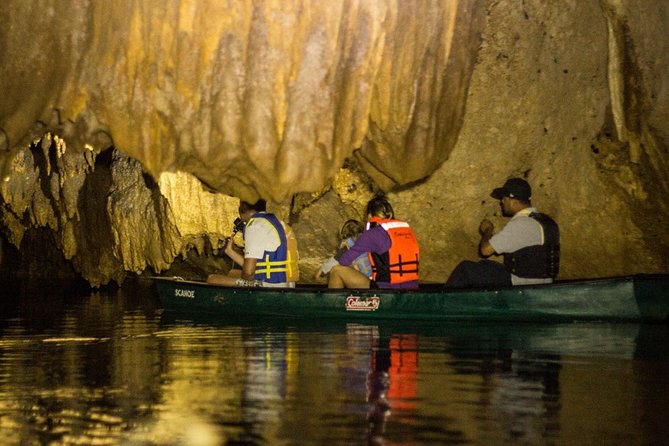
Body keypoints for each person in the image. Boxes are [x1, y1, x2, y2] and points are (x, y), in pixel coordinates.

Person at [444, 177, 560, 288]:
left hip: (522, 284)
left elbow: (486, 250)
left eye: (504, 199)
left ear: (514, 202)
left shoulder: (523, 223)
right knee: (485, 265)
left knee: (466, 269)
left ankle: (443, 304)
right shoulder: (545, 221)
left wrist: (488, 230)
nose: (501, 202)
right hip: (542, 282)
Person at [328, 196, 420, 289]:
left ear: (369, 216)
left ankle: (332, 303)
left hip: (386, 288)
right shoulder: (407, 230)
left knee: (336, 270)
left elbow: (344, 261)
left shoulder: (372, 234)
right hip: (412, 286)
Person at [207, 199, 299, 287]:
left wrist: (242, 281)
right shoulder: (276, 222)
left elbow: (249, 273)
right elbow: (254, 266)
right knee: (232, 273)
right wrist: (229, 251)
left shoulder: (255, 226)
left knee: (212, 279)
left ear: (243, 207)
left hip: (270, 285)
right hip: (286, 283)